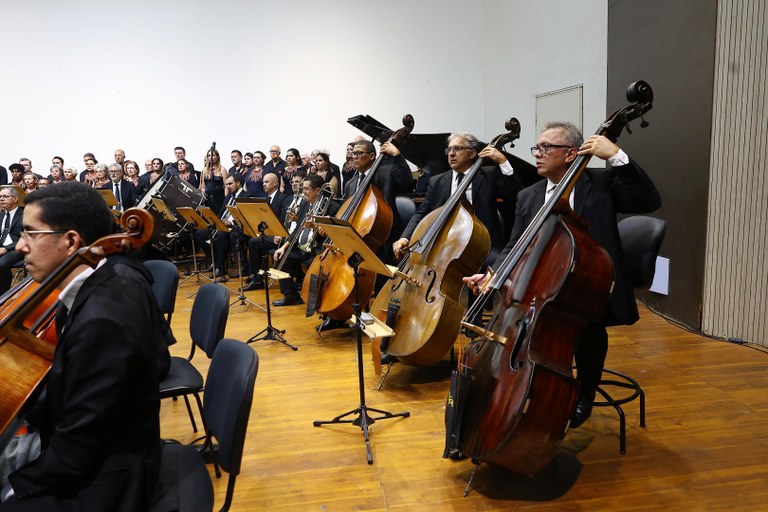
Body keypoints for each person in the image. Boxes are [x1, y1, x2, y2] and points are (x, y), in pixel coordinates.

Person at [464, 121, 661, 428]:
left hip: (592, 283)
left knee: (586, 325)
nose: (538, 154)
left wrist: (616, 155)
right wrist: (494, 274)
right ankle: (537, 385)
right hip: (543, 280)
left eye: (546, 148)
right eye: (537, 148)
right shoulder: (530, 195)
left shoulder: (600, 183)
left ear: (570, 154)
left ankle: (584, 393)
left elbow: (649, 201)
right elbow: (516, 244)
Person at [1, 182, 160, 510]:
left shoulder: (103, 319)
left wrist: (14, 490)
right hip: (92, 450)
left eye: (31, 234)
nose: (20, 246)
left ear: (71, 240)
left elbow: (78, 446)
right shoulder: (93, 284)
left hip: (107, 478)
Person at [392, 132, 522, 268]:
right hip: (444, 244)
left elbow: (516, 195)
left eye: (457, 149)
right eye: (449, 149)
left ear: (472, 154)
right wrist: (405, 238)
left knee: (498, 268)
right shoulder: (436, 181)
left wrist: (503, 162)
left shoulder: (489, 175)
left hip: (482, 245)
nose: (451, 153)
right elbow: (421, 214)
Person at [271, 175, 339, 306]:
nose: (303, 192)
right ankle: (291, 296)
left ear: (317, 191)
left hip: (318, 250)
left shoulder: (333, 207)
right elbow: (297, 229)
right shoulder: (305, 204)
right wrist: (283, 247)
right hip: (303, 248)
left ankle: (319, 300)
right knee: (281, 257)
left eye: (306, 189)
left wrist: (318, 227)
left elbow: (333, 235)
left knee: (312, 265)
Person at [194, 172, 248, 280]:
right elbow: (221, 213)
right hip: (222, 224)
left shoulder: (246, 196)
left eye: (230, 184)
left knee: (221, 234)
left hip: (236, 227)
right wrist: (215, 221)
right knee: (199, 234)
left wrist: (230, 223)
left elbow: (244, 217)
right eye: (226, 184)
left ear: (238, 183)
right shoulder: (229, 197)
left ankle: (221, 267)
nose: (227, 186)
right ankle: (213, 260)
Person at [243, 173, 292, 290]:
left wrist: (277, 234)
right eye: (263, 182)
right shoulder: (266, 198)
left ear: (275, 183)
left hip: (279, 235)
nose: (263, 184)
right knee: (246, 236)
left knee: (254, 242)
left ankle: (256, 278)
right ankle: (255, 274)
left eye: (267, 182)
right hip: (268, 233)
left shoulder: (283, 198)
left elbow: (284, 220)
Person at [0, 186, 24, 293]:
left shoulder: (24, 214)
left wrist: (6, 248)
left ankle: (4, 294)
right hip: (1, 246)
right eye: (0, 197)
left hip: (17, 247)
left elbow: (26, 236)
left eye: (5, 196)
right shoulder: (1, 215)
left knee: (1, 263)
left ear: (15, 199)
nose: (1, 199)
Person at [199, 148, 227, 215]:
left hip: (219, 198)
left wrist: (226, 200)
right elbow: (203, 186)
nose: (210, 157)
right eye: (208, 155)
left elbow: (226, 186)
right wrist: (203, 197)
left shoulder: (222, 169)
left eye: (213, 155)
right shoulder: (204, 170)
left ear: (217, 157)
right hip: (207, 198)